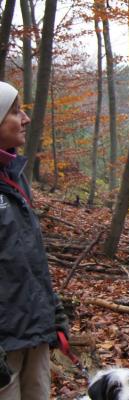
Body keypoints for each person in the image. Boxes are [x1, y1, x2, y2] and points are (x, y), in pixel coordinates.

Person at [0, 81, 69, 399]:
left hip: (34, 335)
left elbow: (31, 260)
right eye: (15, 112)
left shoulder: (15, 178)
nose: (25, 118)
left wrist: (54, 316)